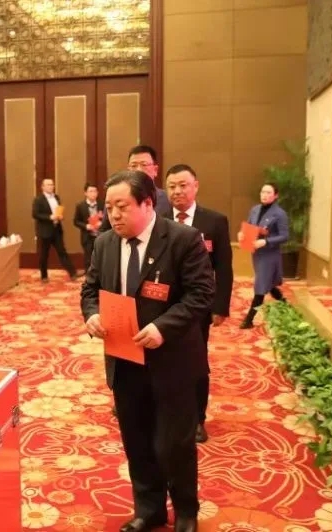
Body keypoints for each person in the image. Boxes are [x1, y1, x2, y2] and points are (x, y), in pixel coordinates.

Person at [81, 170, 214, 532]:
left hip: (172, 362)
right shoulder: (105, 244)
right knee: (137, 441)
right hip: (124, 361)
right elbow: (90, 290)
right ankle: (149, 509)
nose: (114, 215)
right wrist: (91, 315)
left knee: (175, 444)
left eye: (122, 206)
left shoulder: (182, 239)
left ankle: (185, 512)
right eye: (109, 207)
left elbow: (201, 294)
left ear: (147, 203)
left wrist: (162, 328)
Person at [164, 164, 233, 443]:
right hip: (162, 306)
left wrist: (220, 306)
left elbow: (223, 268)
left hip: (198, 308)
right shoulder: (157, 220)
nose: (177, 191)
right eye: (171, 186)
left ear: (196, 186)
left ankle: (197, 419)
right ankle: (166, 414)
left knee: (195, 362)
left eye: (183, 185)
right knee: (162, 363)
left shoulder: (214, 221)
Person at [238, 182, 289, 329]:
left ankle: (249, 320)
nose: (264, 195)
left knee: (260, 285)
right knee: (268, 283)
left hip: (270, 255)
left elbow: (284, 236)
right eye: (263, 192)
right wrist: (242, 234)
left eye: (268, 193)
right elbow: (249, 227)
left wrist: (266, 241)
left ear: (275, 195)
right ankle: (284, 304)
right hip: (257, 253)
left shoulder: (280, 214)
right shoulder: (255, 210)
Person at [101, 145, 171, 233]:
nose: (138, 170)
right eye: (134, 166)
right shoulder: (115, 198)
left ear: (155, 170)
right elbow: (104, 231)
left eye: (144, 165)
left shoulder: (167, 199)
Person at [32, 178, 78, 282]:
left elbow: (58, 210)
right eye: (48, 185)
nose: (50, 186)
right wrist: (49, 217)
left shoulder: (56, 197)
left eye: (52, 184)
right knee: (44, 254)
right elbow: (35, 214)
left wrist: (60, 216)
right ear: (43, 187)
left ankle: (72, 273)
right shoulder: (38, 199)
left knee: (62, 251)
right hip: (45, 231)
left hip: (57, 229)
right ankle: (44, 276)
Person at [73, 183, 104, 270]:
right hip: (87, 236)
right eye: (91, 191)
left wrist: (101, 223)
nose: (93, 193)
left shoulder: (102, 204)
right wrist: (86, 226)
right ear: (85, 193)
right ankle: (89, 276)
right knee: (88, 259)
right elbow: (76, 221)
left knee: (100, 258)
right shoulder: (80, 206)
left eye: (95, 191)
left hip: (100, 236)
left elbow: (108, 218)